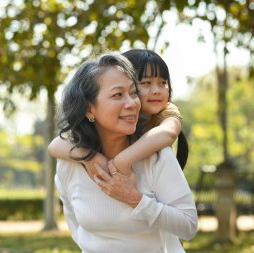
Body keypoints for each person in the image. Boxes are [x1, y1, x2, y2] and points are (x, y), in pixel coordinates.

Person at [54, 52, 198, 253]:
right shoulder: (69, 161)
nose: (132, 103)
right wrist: (92, 158)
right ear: (89, 109)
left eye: (133, 93)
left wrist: (135, 199)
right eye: (117, 95)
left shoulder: (157, 156)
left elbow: (189, 226)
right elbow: (75, 224)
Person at [48, 49, 188, 176]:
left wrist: (121, 161)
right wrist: (91, 158)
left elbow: (168, 133)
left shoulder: (167, 110)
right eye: (146, 83)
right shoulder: (115, 114)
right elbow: (55, 146)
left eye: (163, 83)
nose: (157, 90)